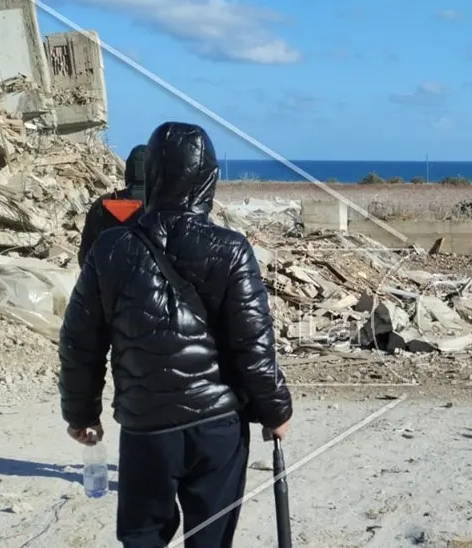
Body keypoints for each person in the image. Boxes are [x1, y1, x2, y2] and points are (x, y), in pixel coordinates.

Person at [58, 122, 293, 548]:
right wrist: (275, 411)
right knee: (210, 538)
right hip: (217, 425)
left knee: (143, 536)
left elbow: (80, 342)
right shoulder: (230, 248)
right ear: (209, 178)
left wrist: (81, 414)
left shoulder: (110, 249)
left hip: (145, 425)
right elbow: (254, 344)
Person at [78, 145, 150, 261]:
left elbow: (85, 254)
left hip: (108, 275)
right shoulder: (165, 206)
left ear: (128, 171)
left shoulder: (103, 203)